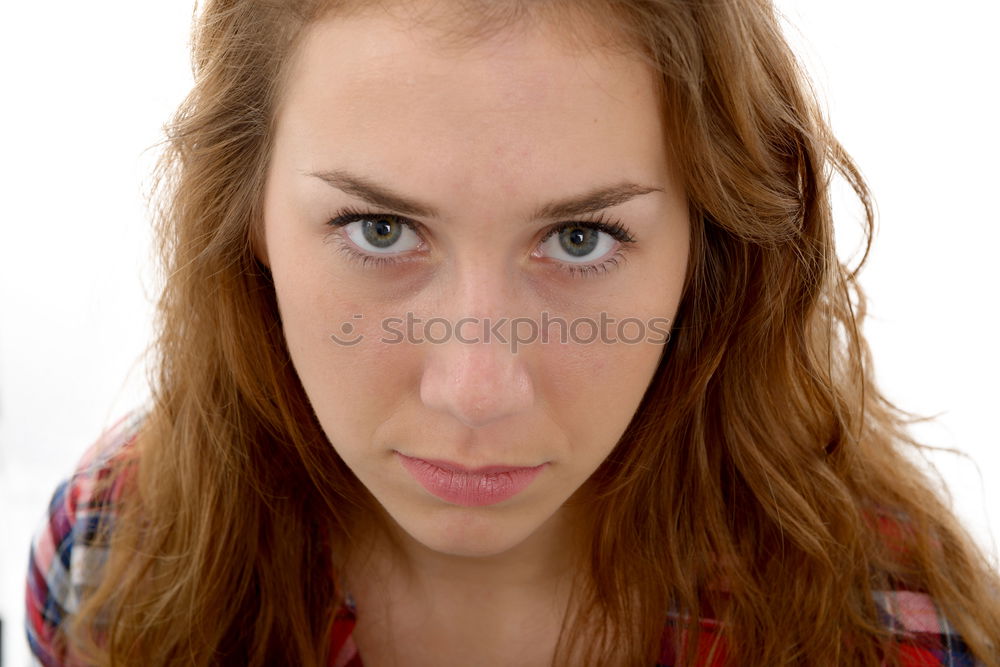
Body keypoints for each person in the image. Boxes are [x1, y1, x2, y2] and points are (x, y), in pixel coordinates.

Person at [23, 0, 1000, 665]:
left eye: (580, 238)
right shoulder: (116, 556)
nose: (475, 387)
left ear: (709, 248)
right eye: (380, 230)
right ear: (250, 219)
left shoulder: (886, 635)